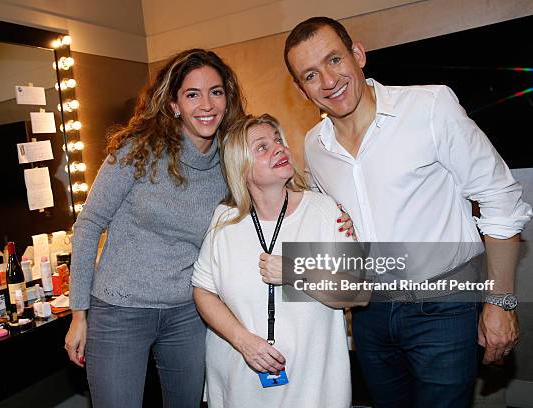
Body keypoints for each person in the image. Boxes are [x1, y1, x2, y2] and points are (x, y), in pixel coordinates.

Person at [283, 17, 532, 408]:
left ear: (358, 54)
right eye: (311, 75)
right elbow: (330, 225)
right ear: (301, 88)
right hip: (370, 315)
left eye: (334, 60)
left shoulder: (430, 106)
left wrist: (500, 302)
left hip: (444, 307)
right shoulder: (314, 145)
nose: (328, 81)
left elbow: (501, 199)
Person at [64, 49, 247, 408]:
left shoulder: (231, 159)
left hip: (187, 313)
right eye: (192, 94)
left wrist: (328, 210)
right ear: (175, 104)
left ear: (227, 97)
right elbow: (89, 224)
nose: (206, 104)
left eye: (216, 91)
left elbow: (268, 196)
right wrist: (78, 313)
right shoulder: (139, 151)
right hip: (119, 310)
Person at [192, 114, 356, 408]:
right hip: (240, 381)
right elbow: (203, 291)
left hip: (313, 385)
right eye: (262, 147)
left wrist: (296, 271)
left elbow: (356, 293)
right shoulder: (225, 220)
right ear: (241, 167)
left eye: (278, 141)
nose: (279, 148)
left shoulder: (323, 210)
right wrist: (243, 341)